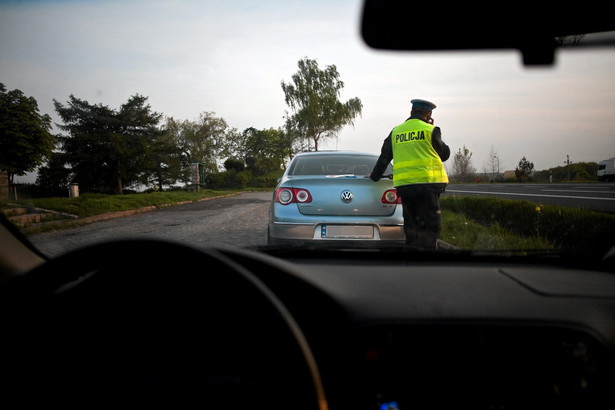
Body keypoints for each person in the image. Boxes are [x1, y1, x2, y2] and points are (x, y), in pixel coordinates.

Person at [369, 99, 450, 250]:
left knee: (411, 225)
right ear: (429, 114)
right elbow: (444, 154)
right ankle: (428, 258)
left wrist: (374, 176)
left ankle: (412, 258)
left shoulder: (396, 132)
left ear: (411, 112)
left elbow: (384, 157)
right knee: (430, 226)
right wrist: (432, 129)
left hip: (406, 188)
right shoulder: (430, 130)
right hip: (428, 187)